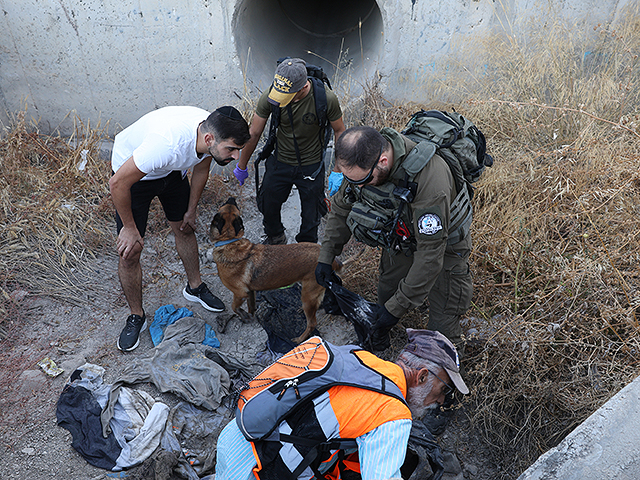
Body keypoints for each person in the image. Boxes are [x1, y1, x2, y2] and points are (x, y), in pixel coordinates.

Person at [215, 329, 468, 480]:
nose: (441, 400)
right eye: (443, 388)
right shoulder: (392, 412)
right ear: (422, 375)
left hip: (236, 437)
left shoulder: (358, 357)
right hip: (255, 467)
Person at [315, 126, 473, 352]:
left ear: (383, 161)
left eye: (364, 181)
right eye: (353, 181)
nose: (358, 186)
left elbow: (430, 255)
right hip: (403, 237)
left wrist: (395, 309)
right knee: (386, 297)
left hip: (444, 246)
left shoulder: (430, 177)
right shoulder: (361, 166)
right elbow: (341, 209)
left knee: (441, 333)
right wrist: (326, 257)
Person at [109, 105, 251, 351]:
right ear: (209, 139)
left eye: (238, 150)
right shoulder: (165, 145)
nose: (236, 156)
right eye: (232, 149)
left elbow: (201, 169)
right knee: (130, 251)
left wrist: (191, 210)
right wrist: (129, 229)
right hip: (134, 179)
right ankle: (136, 315)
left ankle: (194, 287)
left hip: (171, 173)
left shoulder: (210, 131)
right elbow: (117, 183)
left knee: (185, 228)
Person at [234, 58, 346, 244]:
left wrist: (338, 168)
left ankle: (305, 247)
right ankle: (276, 236)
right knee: (267, 203)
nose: (281, 99)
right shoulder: (272, 94)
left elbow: (340, 130)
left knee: (312, 214)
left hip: (311, 165)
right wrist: (242, 165)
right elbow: (254, 132)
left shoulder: (325, 98)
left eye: (287, 95)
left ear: (303, 87)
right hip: (281, 160)